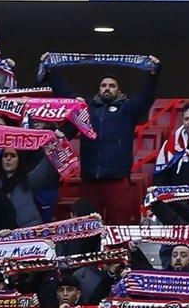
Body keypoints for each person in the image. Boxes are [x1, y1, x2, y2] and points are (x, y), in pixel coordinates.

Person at [44, 56, 160, 224]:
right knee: (88, 226)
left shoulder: (128, 110)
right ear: (99, 89)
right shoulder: (86, 109)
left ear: (119, 91)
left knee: (120, 226)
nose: (107, 88)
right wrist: (50, 71)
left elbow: (146, 97)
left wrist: (153, 75)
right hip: (90, 179)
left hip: (117, 179)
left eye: (112, 86)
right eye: (103, 85)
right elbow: (65, 93)